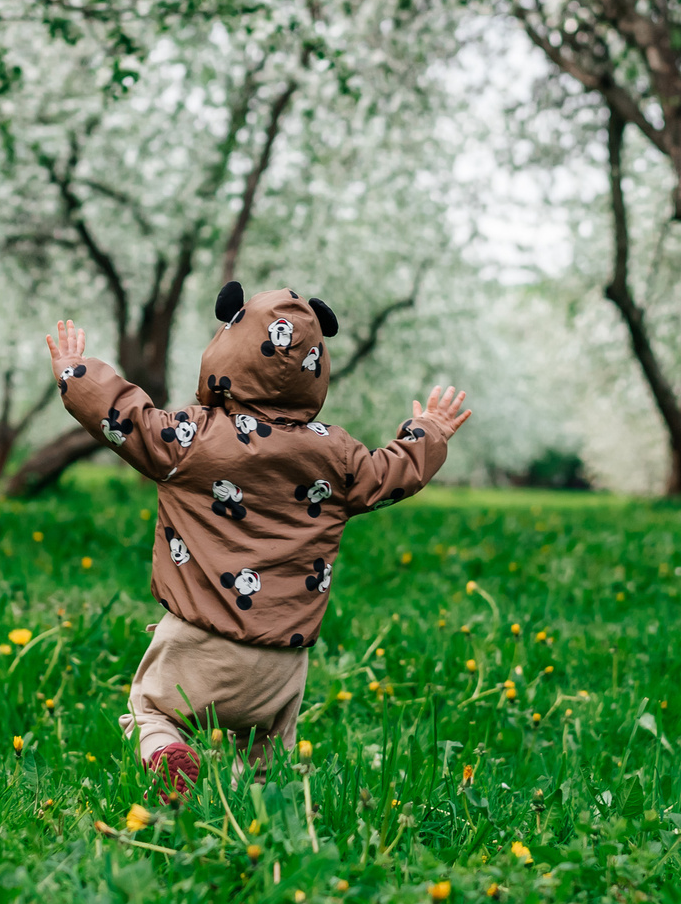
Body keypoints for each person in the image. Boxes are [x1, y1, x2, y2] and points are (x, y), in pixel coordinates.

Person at [46, 282, 471, 799]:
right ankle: (261, 821)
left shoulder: (192, 437)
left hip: (196, 638)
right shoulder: (335, 453)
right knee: (265, 754)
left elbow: (124, 418)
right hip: (281, 657)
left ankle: (166, 756)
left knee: (151, 710)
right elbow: (392, 473)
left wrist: (76, 373)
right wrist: (429, 430)